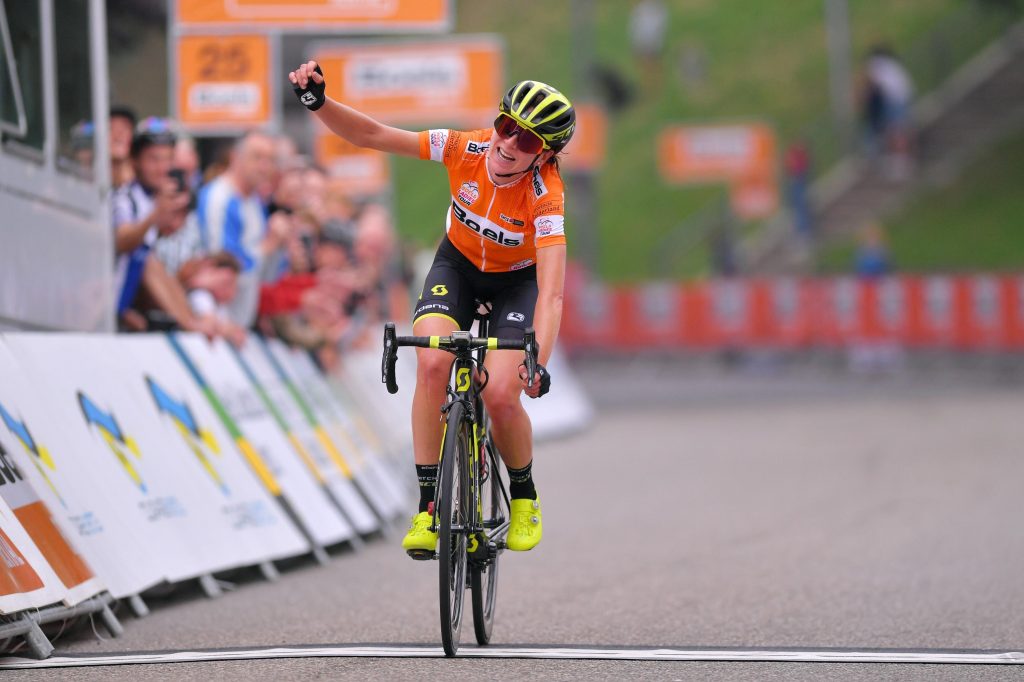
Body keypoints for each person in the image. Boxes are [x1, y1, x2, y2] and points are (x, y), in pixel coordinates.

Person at [289, 61, 575, 556]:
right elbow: (372, 135)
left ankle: (524, 495)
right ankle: (426, 508)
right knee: (431, 363)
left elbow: (550, 294)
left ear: (545, 154)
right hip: (457, 267)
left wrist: (538, 362)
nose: (508, 143)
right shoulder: (464, 147)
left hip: (517, 284)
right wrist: (318, 101)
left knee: (502, 393)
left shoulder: (546, 196)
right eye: (506, 126)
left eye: (527, 140)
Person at [110, 117, 213, 336]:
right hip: (109, 305)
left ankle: (193, 322)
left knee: (157, 263)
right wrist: (156, 215)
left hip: (132, 307)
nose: (162, 168)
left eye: (168, 159)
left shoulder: (156, 199)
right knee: (147, 260)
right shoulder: (125, 198)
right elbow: (122, 241)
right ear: (135, 161)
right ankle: (190, 325)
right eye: (153, 159)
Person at [194, 130, 289, 328]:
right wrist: (269, 245)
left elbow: (267, 277)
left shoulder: (255, 202)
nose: (264, 167)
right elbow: (223, 269)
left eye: (270, 160)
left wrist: (279, 246)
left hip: (241, 322)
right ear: (235, 158)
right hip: (217, 322)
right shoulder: (219, 198)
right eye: (257, 158)